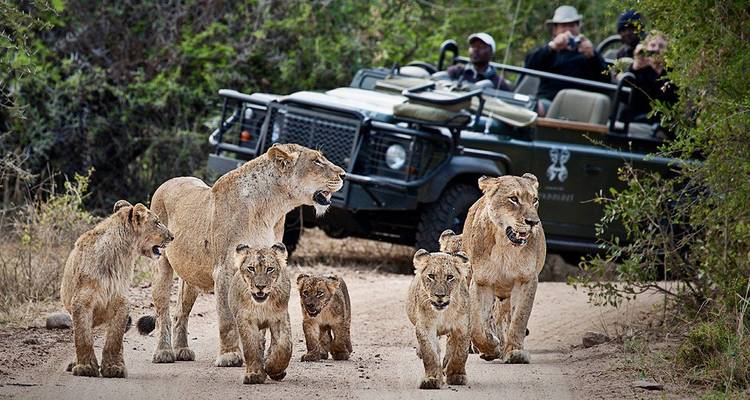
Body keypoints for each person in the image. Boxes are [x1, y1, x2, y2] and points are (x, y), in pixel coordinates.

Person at [524, 5, 610, 115]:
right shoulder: (549, 51)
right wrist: (552, 47)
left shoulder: (589, 53)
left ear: (578, 27)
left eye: (572, 25)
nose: (568, 30)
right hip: (548, 100)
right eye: (563, 26)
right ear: (555, 30)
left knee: (536, 108)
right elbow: (529, 66)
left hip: (577, 105)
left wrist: (592, 57)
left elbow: (606, 80)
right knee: (529, 105)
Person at [626, 31, 678, 123]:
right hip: (633, 119)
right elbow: (626, 96)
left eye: (661, 46)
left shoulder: (673, 74)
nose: (656, 50)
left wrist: (656, 71)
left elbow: (665, 103)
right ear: (646, 48)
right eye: (653, 45)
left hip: (659, 124)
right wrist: (634, 68)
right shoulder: (638, 69)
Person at [446, 32, 513, 91]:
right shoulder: (456, 71)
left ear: (491, 52)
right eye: (473, 46)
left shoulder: (499, 84)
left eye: (481, 46)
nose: (475, 50)